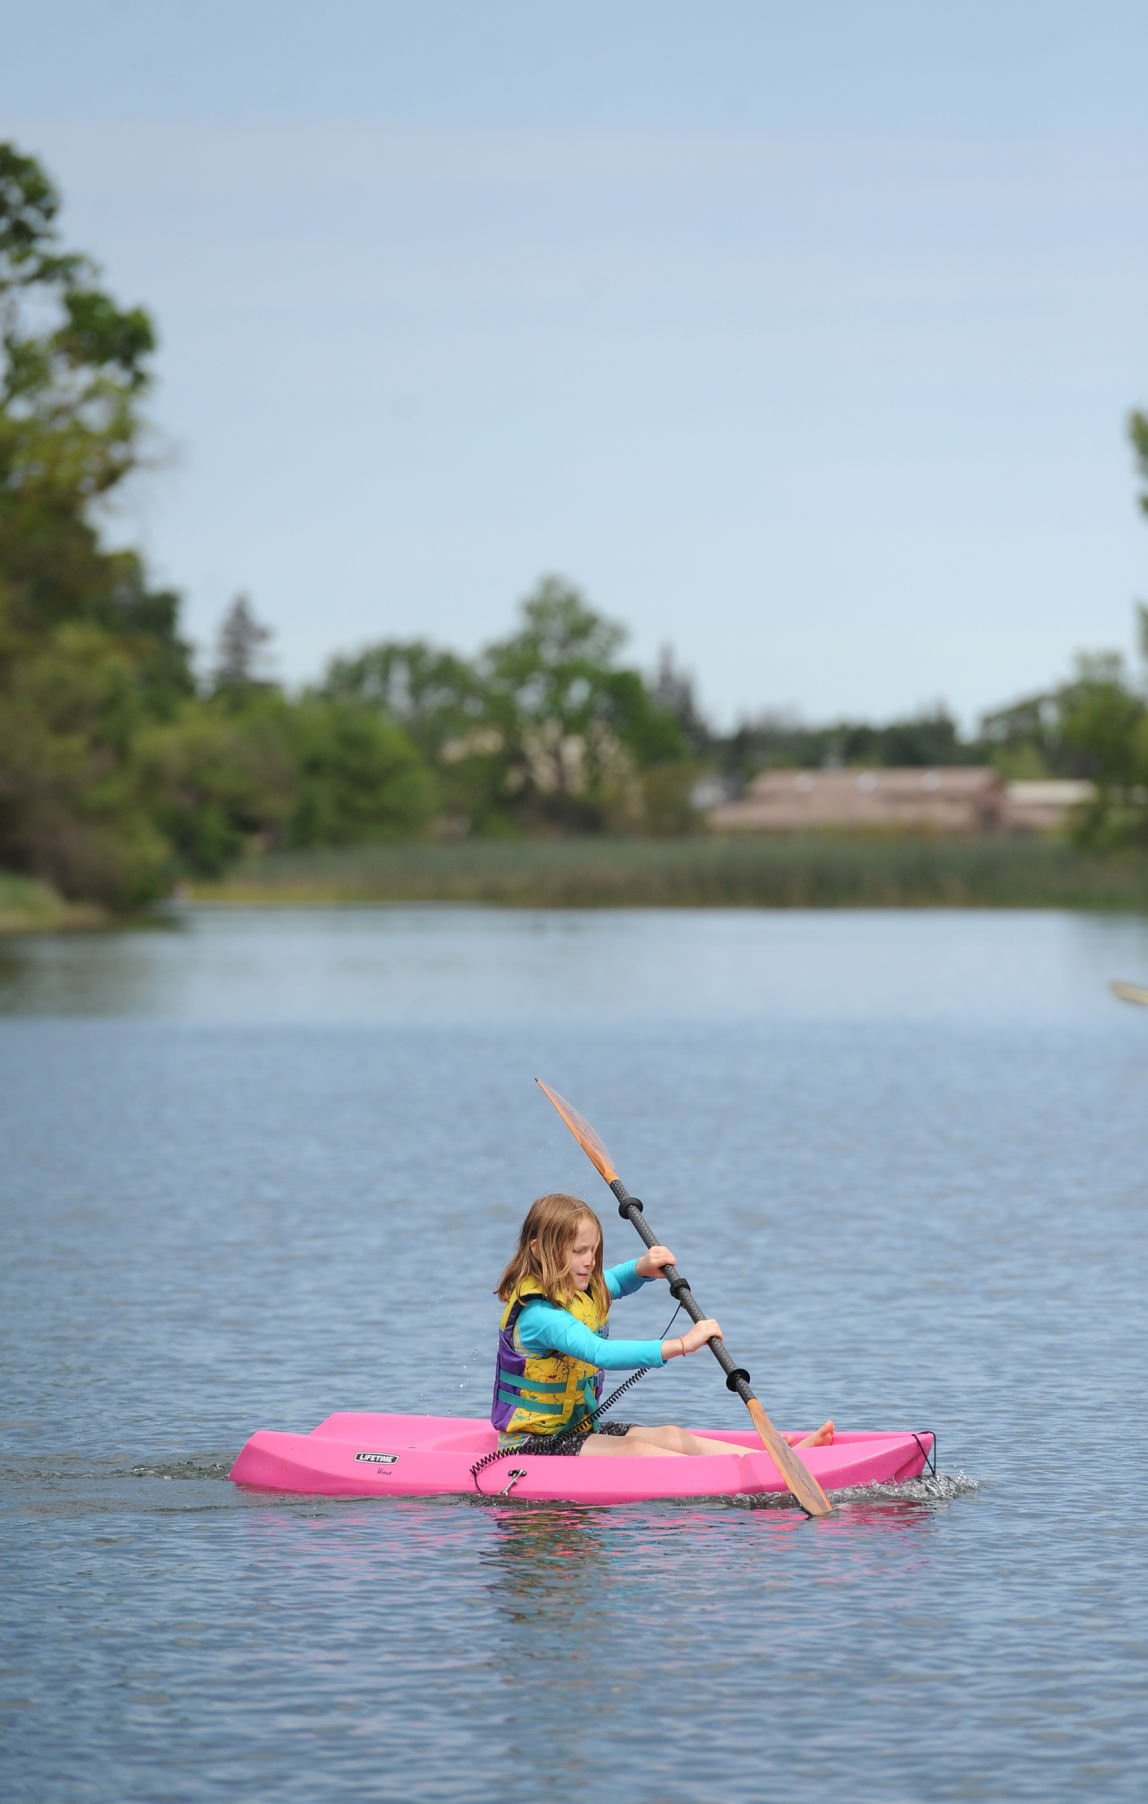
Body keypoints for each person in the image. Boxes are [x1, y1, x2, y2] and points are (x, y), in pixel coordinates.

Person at [492, 1192, 833, 1459]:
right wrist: (682, 1344)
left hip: (573, 1433)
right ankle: (754, 1473)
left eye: (593, 1250)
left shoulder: (577, 1289)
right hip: (533, 1444)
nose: (590, 1262)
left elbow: (611, 1282)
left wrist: (641, 1268)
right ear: (539, 1251)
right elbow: (601, 1353)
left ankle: (774, 1460)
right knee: (639, 1452)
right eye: (579, 1251)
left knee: (672, 1435)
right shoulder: (539, 1315)